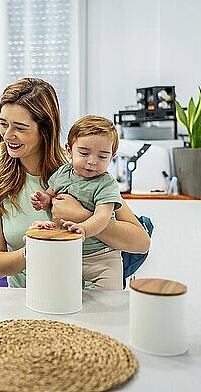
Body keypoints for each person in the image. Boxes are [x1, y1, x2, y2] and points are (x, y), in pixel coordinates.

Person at [0, 77, 150, 289]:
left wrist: (81, 217)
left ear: (45, 129)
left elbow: (140, 242)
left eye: (20, 128)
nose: (8, 135)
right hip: (30, 300)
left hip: (91, 299)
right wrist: (36, 244)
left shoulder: (83, 169)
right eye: (3, 124)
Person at [30, 115, 124, 289]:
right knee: (66, 300)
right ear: (69, 149)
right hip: (67, 253)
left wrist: (85, 228)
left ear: (112, 156)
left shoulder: (107, 184)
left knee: (109, 304)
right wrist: (44, 200)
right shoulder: (63, 173)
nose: (92, 161)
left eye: (102, 156)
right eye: (84, 153)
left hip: (102, 258)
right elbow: (51, 195)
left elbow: (103, 217)